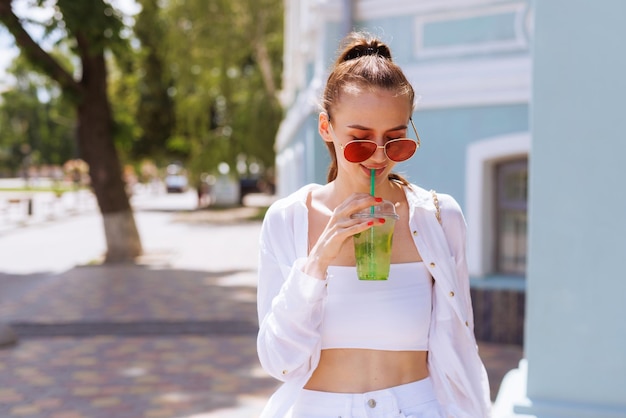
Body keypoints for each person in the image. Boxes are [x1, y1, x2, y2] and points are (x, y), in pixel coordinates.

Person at [256, 32, 491, 418]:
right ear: (326, 128)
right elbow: (278, 361)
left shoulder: (439, 217)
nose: (379, 157)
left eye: (396, 141)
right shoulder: (288, 219)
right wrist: (317, 263)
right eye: (360, 141)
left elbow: (461, 350)